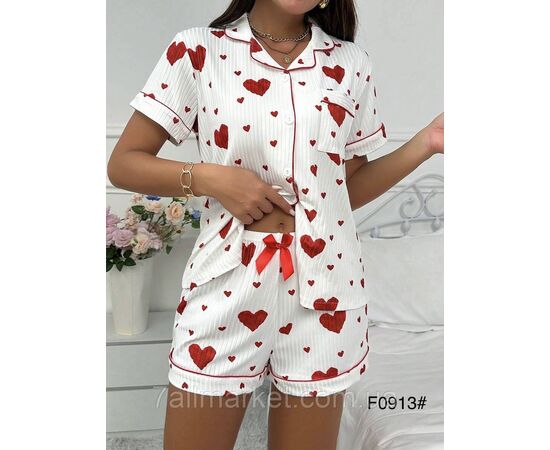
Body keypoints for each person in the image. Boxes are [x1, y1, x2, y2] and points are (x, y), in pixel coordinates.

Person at [107, 1, 444, 449]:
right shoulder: (198, 50)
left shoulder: (350, 63)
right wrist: (210, 178)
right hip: (228, 279)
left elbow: (343, 192)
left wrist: (427, 142)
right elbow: (124, 164)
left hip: (326, 289)